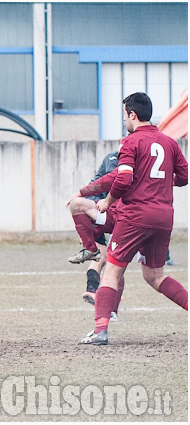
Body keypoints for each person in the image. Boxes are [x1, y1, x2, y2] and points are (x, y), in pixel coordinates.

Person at [79, 92, 188, 345]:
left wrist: (106, 202)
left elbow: (124, 178)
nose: (125, 121)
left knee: (112, 273)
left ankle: (100, 331)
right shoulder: (169, 142)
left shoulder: (130, 142)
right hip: (163, 217)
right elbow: (184, 177)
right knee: (155, 276)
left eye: (125, 115)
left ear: (132, 114)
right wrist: (160, 182)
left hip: (135, 215)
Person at [66, 151, 119, 307]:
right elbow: (114, 182)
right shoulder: (116, 159)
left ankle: (91, 290)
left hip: (95, 210)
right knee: (116, 260)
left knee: (100, 255)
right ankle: (110, 304)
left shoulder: (117, 158)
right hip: (99, 211)